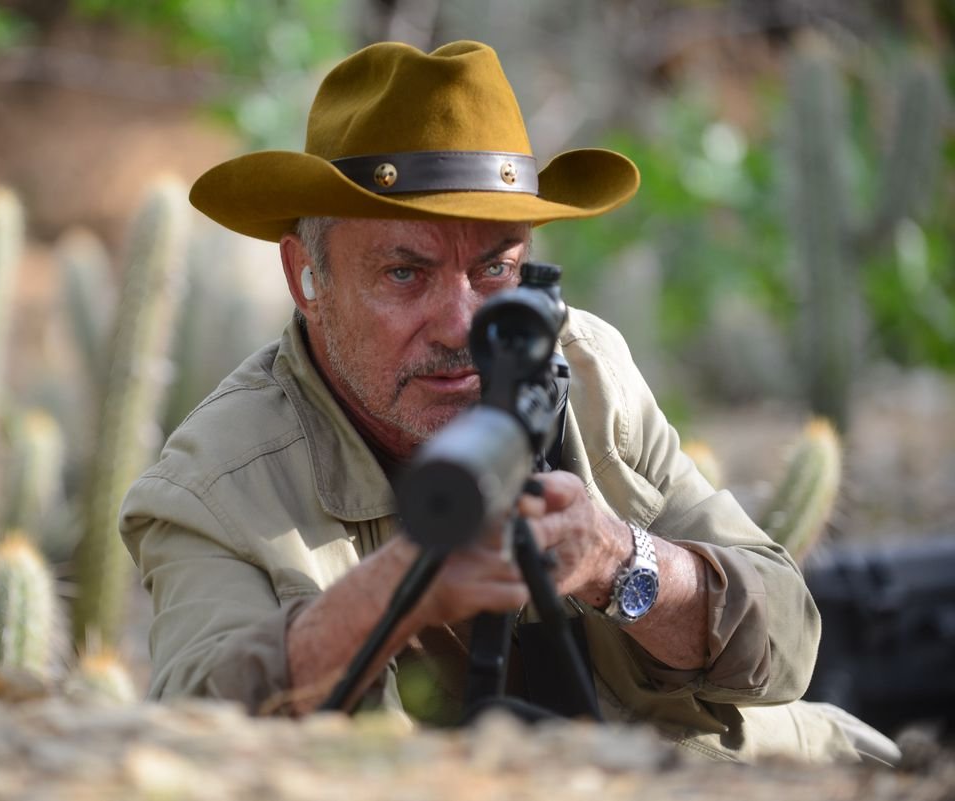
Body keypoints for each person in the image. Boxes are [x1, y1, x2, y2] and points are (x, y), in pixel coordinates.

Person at [120, 40, 898, 764]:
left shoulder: (583, 367)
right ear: (307, 278)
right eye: (404, 273)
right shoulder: (215, 486)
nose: (463, 326)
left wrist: (621, 562)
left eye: (496, 270)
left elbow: (787, 641)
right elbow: (191, 735)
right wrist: (397, 592)